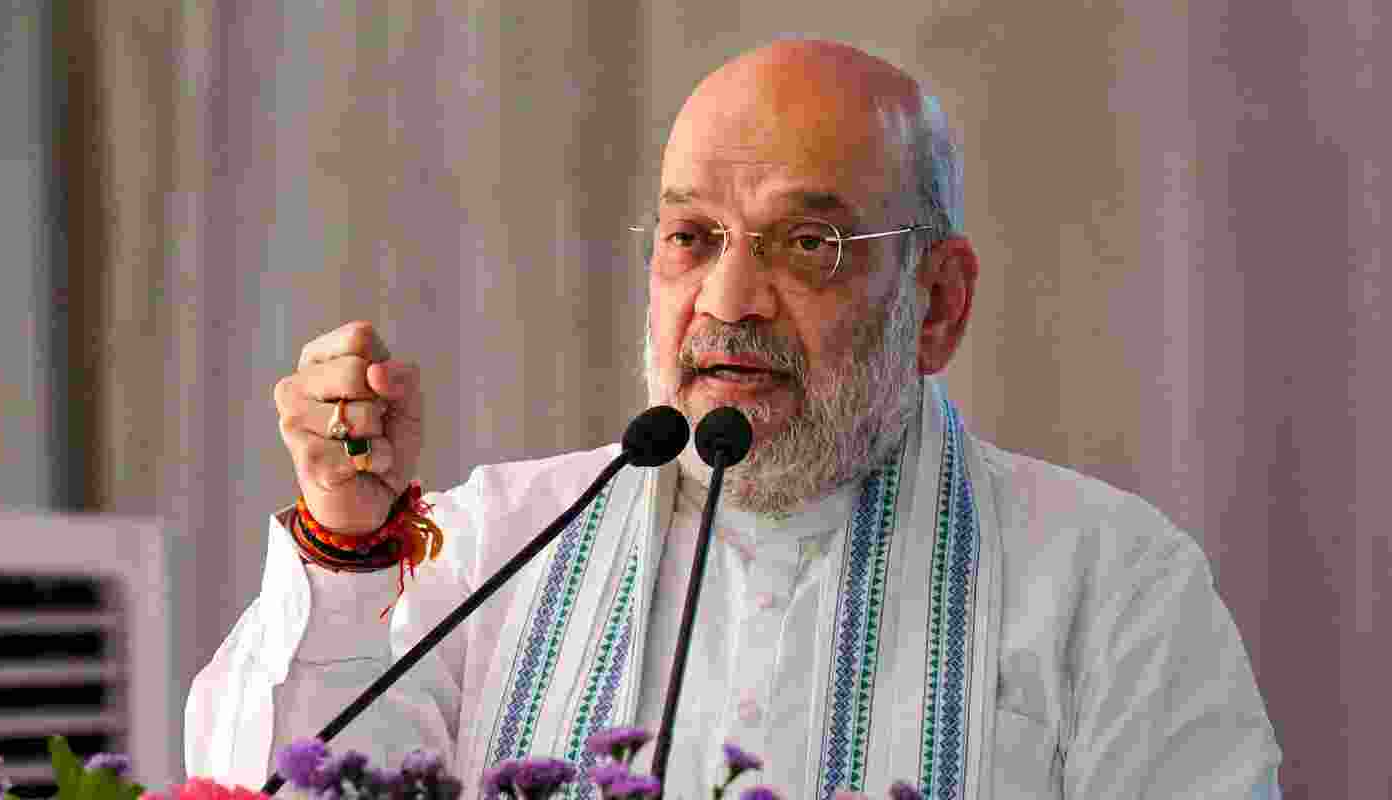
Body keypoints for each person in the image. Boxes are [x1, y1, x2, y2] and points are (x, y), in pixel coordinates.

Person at [184, 40, 1282, 799]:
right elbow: (272, 777)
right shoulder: (494, 542)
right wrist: (347, 546)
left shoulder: (1110, 580)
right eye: (692, 237)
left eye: (808, 244)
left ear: (936, 301)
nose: (727, 303)